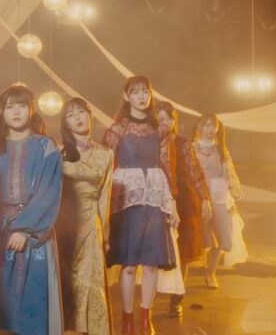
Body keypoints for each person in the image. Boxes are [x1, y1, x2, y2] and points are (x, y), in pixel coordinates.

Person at [0, 84, 63, 335]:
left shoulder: (46, 147)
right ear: (2, 112)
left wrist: (24, 229)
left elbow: (48, 191)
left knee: (33, 302)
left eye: (22, 106)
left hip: (35, 235)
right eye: (9, 107)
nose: (15, 112)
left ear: (32, 109)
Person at [102, 76, 177, 335]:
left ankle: (146, 317)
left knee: (152, 262)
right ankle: (127, 318)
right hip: (127, 200)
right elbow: (105, 166)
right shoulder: (117, 129)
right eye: (135, 92)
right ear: (127, 96)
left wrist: (172, 202)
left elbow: (167, 165)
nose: (141, 97)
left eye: (145, 92)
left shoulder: (161, 129)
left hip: (154, 198)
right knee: (130, 264)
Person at [58, 97, 113, 335]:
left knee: (89, 278)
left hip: (91, 222)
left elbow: (105, 197)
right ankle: (67, 327)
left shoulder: (106, 154)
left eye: (80, 112)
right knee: (67, 278)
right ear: (66, 123)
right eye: (71, 115)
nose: (77, 118)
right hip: (63, 222)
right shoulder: (59, 152)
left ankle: (85, 329)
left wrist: (106, 235)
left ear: (90, 115)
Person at [153, 102, 210, 316]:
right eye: (160, 119)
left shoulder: (183, 144)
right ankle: (149, 300)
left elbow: (195, 172)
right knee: (156, 252)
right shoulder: (148, 144)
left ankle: (176, 300)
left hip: (184, 202)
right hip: (156, 201)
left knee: (183, 253)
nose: (165, 123)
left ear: (174, 121)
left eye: (169, 119)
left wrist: (205, 199)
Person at [192, 114, 247, 289]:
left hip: (218, 195)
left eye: (213, 126)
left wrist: (230, 197)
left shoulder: (221, 150)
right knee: (201, 237)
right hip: (199, 195)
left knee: (222, 236)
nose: (211, 129)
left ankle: (210, 272)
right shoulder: (192, 148)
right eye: (207, 125)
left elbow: (228, 174)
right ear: (200, 127)